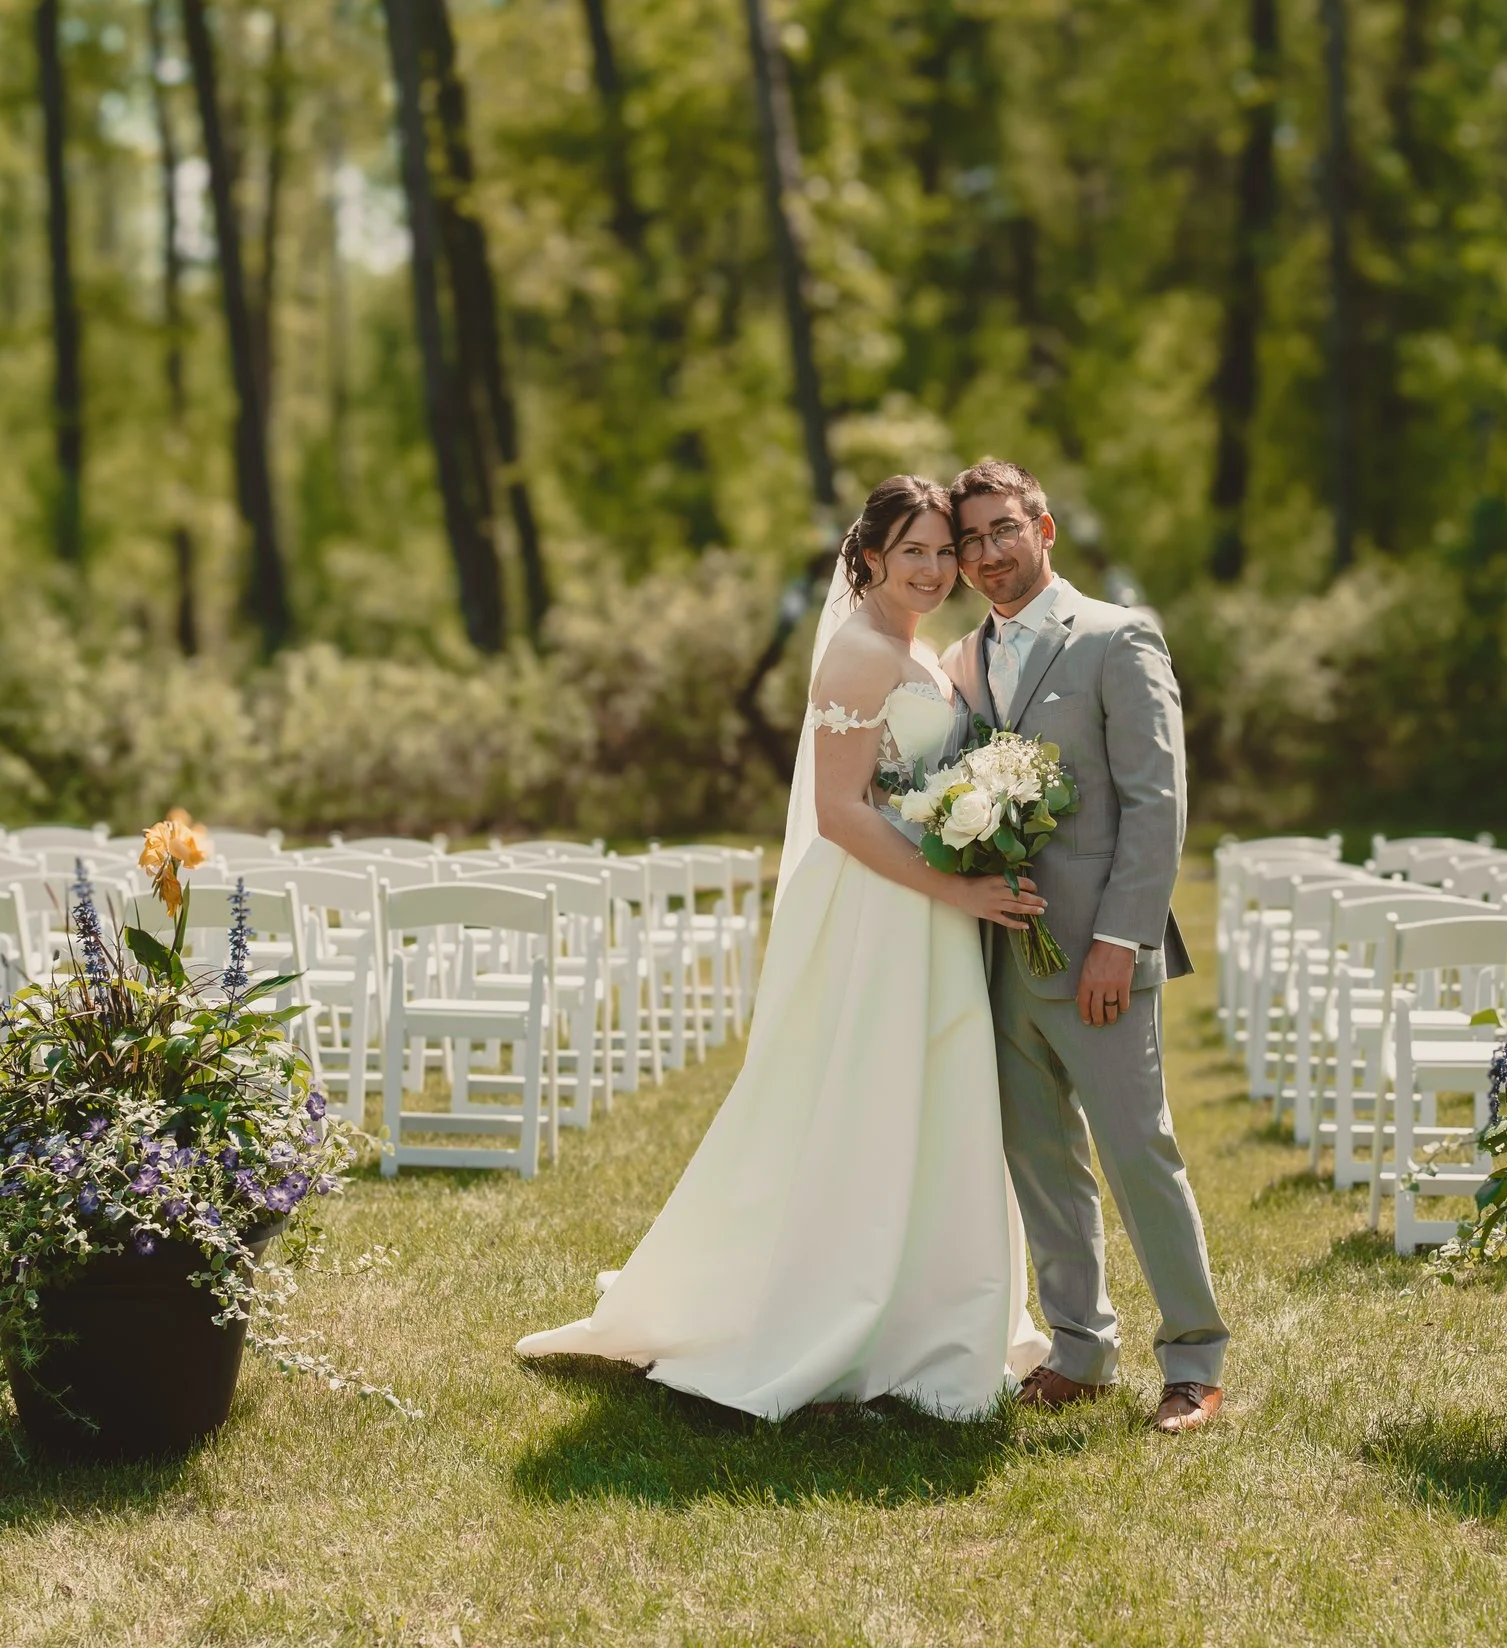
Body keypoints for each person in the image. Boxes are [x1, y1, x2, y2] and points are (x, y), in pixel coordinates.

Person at [513, 476, 1051, 1418]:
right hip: (879, 906)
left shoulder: (914, 648)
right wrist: (956, 883)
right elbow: (843, 813)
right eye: (912, 551)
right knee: (864, 1096)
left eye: (942, 551)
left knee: (929, 1097)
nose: (933, 569)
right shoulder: (856, 652)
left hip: (924, 902)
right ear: (871, 556)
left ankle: (927, 1311)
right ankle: (836, 1310)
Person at [941, 457, 1229, 1435]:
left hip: (1100, 953)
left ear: (1044, 528)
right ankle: (1079, 1348)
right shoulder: (964, 659)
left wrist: (1119, 939)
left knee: (1137, 1150)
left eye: (1001, 531)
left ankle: (1193, 1361)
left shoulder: (1117, 635)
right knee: (1040, 1158)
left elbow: (1158, 802)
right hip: (1002, 955)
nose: (986, 553)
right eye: (969, 539)